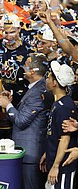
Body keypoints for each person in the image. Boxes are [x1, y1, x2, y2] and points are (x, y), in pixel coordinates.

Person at [0, 52, 50, 189]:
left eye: (25, 65)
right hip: (29, 152)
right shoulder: (36, 88)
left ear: (32, 71)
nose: (22, 68)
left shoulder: (38, 92)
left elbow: (21, 120)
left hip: (31, 154)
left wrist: (7, 105)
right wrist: (11, 103)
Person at [40, 61, 77, 189]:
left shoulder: (65, 106)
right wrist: (48, 153)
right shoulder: (58, 103)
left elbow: (65, 138)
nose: (47, 79)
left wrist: (56, 166)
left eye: (49, 77)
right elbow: (54, 133)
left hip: (63, 167)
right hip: (55, 161)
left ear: (55, 83)